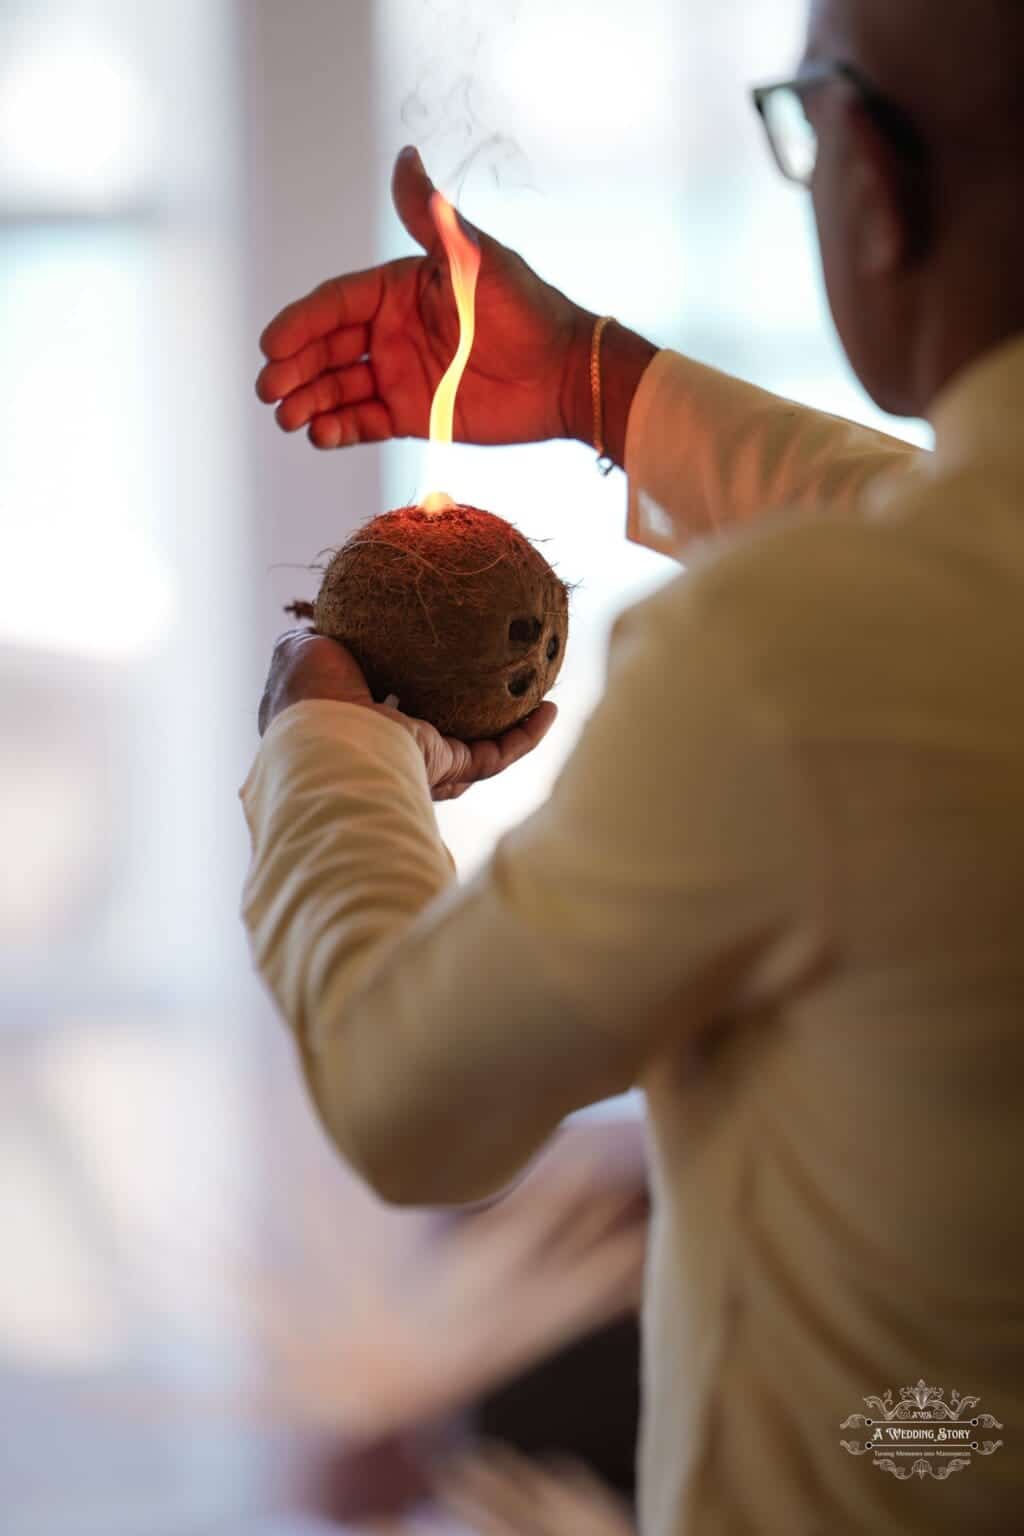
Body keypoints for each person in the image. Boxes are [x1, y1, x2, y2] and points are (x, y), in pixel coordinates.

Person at [242, 0, 1024, 1530]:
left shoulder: (778, 666)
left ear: (869, 169)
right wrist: (603, 382)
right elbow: (957, 538)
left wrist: (327, 742)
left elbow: (412, 1102)